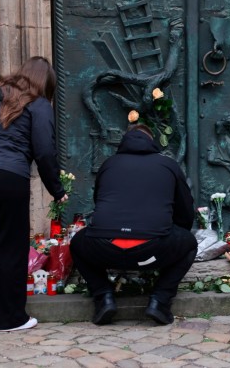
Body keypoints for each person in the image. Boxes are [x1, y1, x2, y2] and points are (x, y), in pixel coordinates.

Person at [0, 56, 67, 332]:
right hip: (6, 176)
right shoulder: (38, 104)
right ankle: (10, 317)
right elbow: (44, 151)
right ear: (46, 84)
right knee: (9, 246)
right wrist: (57, 190)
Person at [69, 123, 197, 326]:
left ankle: (104, 298)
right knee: (189, 243)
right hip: (153, 249)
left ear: (124, 141)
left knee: (77, 243)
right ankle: (160, 301)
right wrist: (168, 231)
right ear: (151, 141)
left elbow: (98, 202)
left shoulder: (109, 164)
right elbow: (185, 211)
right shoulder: (168, 164)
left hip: (105, 249)